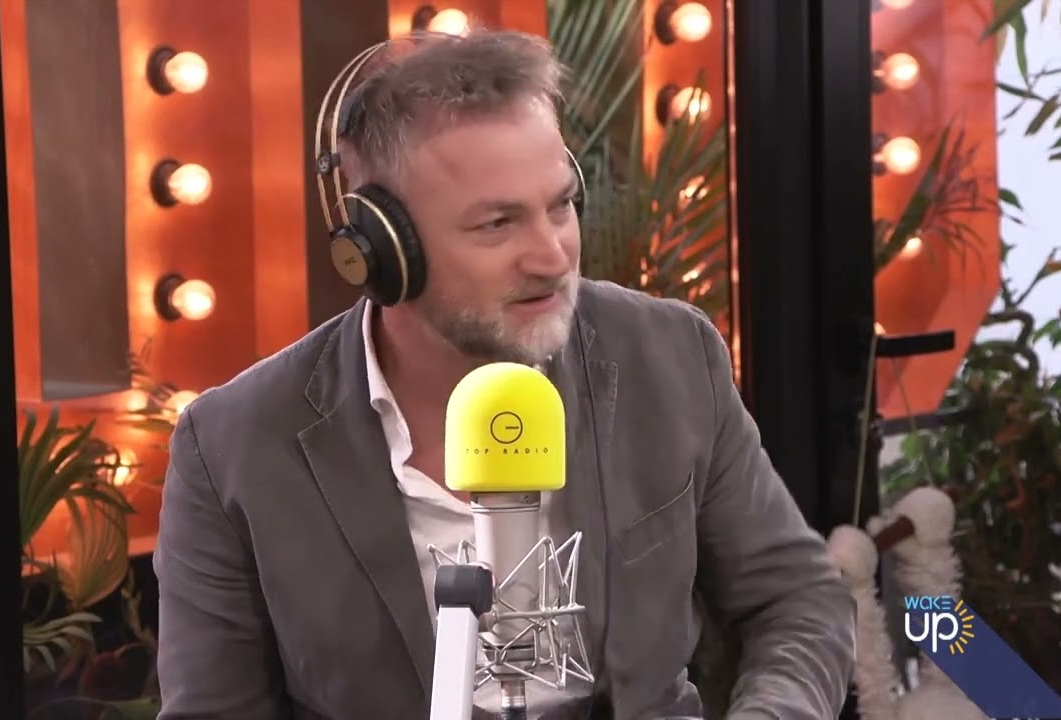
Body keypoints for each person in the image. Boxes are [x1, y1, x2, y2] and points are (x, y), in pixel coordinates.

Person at [153, 28, 855, 720]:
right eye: (497, 224)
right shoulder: (233, 447)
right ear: (380, 249)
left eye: (561, 205)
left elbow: (797, 600)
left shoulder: (668, 354)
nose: (552, 257)